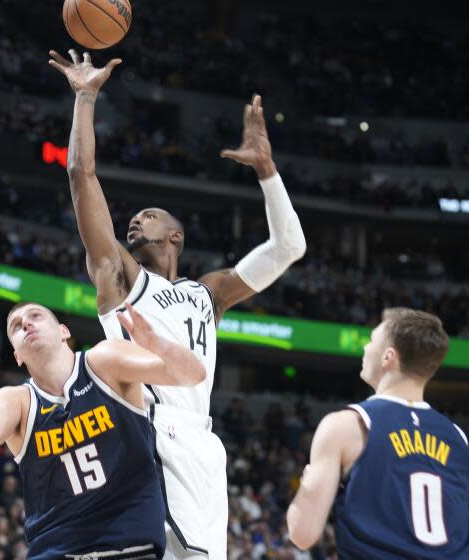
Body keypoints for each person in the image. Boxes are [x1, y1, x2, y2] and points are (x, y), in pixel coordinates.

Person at [48, 49, 307, 558]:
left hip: (203, 447)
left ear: (176, 235)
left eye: (148, 215)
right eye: (134, 218)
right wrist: (84, 99)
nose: (135, 221)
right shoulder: (120, 277)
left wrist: (268, 172)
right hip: (149, 430)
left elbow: (289, 247)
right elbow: (82, 177)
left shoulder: (207, 294)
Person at [0, 275, 206, 559]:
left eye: (36, 316)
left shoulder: (103, 362)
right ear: (16, 355)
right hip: (55, 552)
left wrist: (155, 343)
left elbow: (193, 375)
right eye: (16, 326)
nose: (26, 323)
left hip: (128, 548)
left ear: (63, 331)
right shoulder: (19, 401)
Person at [286, 308, 469, 558]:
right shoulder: (458, 438)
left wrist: (307, 484)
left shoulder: (346, 425)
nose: (365, 348)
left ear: (388, 357)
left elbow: (302, 534)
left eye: (370, 341)